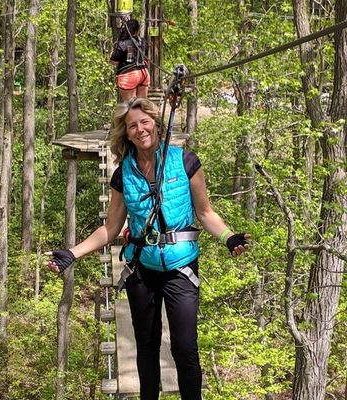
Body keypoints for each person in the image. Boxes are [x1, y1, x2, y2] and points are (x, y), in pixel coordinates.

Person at [45, 98, 250, 400]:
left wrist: (229, 237)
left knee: (185, 347)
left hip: (181, 267)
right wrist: (73, 253)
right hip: (141, 267)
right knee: (147, 347)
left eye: (145, 122)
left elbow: (205, 212)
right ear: (126, 134)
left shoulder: (185, 162)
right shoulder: (123, 175)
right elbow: (111, 228)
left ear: (156, 123)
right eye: (132, 126)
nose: (140, 129)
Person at [110, 19, 150, 101]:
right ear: (137, 30)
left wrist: (113, 49)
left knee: (129, 105)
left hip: (129, 75)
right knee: (141, 104)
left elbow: (113, 61)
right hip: (144, 73)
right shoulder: (143, 42)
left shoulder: (121, 44)